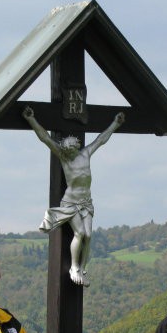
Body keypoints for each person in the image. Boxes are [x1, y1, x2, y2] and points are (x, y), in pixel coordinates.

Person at [22, 105, 125, 287]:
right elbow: (45, 138)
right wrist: (31, 119)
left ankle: (83, 268)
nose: (69, 151)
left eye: (71, 148)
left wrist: (115, 124)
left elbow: (101, 139)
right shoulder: (63, 156)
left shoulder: (85, 154)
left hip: (87, 202)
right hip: (71, 202)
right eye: (66, 149)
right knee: (80, 233)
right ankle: (74, 267)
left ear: (76, 146)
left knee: (89, 236)